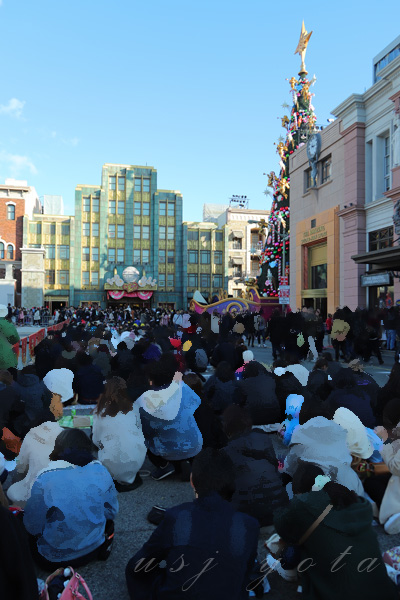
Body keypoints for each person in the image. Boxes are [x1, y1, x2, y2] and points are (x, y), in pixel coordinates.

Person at [125, 447, 260, 600]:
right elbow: (244, 575)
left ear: (192, 481)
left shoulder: (177, 518)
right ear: (233, 484)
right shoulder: (249, 525)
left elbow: (138, 566)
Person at [271, 461, 398, 600]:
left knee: (292, 547)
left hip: (336, 593)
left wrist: (298, 502)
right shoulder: (358, 503)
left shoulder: (304, 507)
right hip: (383, 592)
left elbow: (281, 525)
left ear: (301, 492)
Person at [24, 429, 118, 570]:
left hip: (54, 559)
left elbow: (32, 525)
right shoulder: (101, 471)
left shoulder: (45, 478)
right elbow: (111, 512)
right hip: (94, 548)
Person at [6, 368, 74, 506]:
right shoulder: (65, 436)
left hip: (31, 494)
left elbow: (20, 468)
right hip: (59, 493)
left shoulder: (29, 438)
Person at [136, 353, 203, 480]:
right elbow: (197, 404)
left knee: (143, 435)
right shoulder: (181, 386)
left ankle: (164, 465)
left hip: (167, 448)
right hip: (194, 443)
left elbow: (143, 428)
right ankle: (189, 462)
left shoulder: (144, 400)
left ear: (151, 380)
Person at [222, 404, 288, 526]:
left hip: (247, 516)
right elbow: (275, 467)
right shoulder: (263, 439)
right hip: (278, 510)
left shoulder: (226, 451)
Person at [92, 377, 146, 492]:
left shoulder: (99, 413)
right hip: (137, 460)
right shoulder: (135, 408)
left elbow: (95, 440)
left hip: (111, 465)